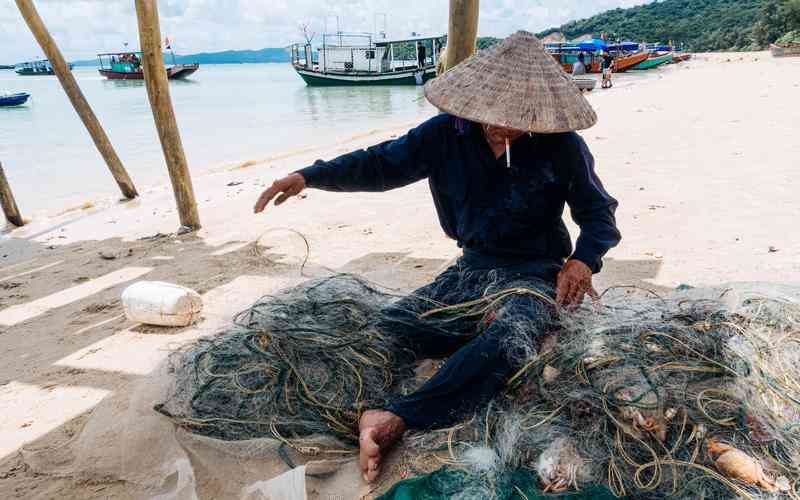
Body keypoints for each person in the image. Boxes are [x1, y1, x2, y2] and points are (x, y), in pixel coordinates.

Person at [253, 31, 620, 483]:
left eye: (517, 120)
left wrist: (582, 259)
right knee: (392, 325)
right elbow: (379, 164)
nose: (504, 127)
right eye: (493, 117)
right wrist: (308, 176)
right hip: (471, 269)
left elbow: (599, 214)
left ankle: (397, 419)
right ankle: (439, 368)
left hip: (534, 271)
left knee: (511, 337)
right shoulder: (445, 134)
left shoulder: (561, 144)